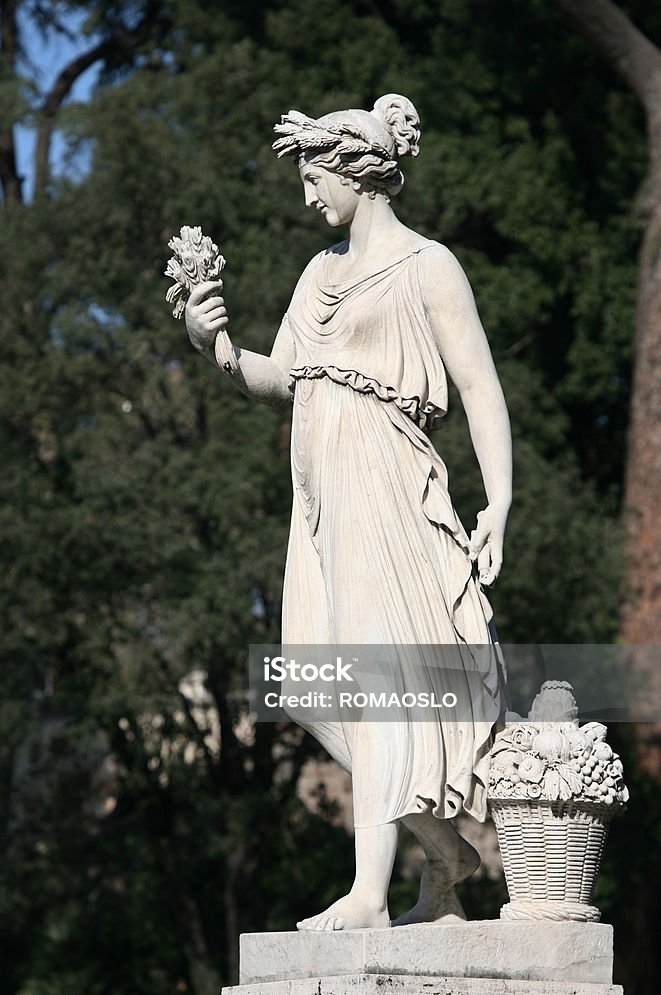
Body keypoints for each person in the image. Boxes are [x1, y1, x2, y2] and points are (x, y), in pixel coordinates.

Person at [185, 94, 512, 931]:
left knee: (375, 682)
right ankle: (445, 854)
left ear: (356, 173)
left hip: (388, 484)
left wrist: (499, 500)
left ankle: (369, 895)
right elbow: (280, 378)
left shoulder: (426, 266)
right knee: (309, 678)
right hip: (322, 502)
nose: (306, 198)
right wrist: (213, 344)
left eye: (312, 177)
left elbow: (477, 383)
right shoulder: (317, 272)